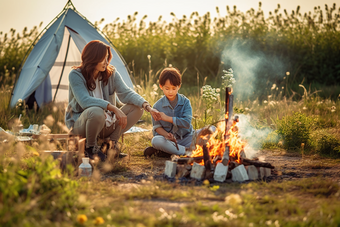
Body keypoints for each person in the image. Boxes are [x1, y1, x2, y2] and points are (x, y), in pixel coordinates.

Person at [65, 40, 160, 161]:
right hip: (81, 124)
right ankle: (91, 148)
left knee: (137, 108)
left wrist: (147, 106)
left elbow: (126, 92)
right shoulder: (75, 75)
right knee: (96, 110)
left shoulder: (110, 73)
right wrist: (113, 108)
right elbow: (85, 101)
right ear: (92, 58)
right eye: (102, 58)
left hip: (106, 123)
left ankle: (110, 144)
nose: (106, 62)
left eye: (106, 58)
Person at [144, 67, 194, 157]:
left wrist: (167, 118)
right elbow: (157, 127)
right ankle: (185, 151)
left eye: (174, 88)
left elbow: (186, 123)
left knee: (211, 130)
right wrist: (167, 135)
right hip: (168, 140)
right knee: (156, 140)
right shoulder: (157, 106)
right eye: (167, 89)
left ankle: (168, 151)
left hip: (186, 138)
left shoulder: (185, 102)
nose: (170, 92)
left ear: (179, 86)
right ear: (161, 86)